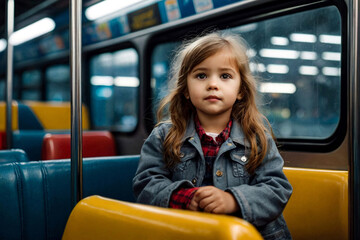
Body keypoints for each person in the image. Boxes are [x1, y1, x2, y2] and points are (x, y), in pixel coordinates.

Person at [132, 31, 292, 239]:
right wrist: (184, 198)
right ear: (187, 90)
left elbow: (277, 188)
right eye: (201, 75)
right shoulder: (163, 136)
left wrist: (233, 201)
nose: (212, 84)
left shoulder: (257, 137)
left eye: (225, 76)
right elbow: (145, 183)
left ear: (241, 90)